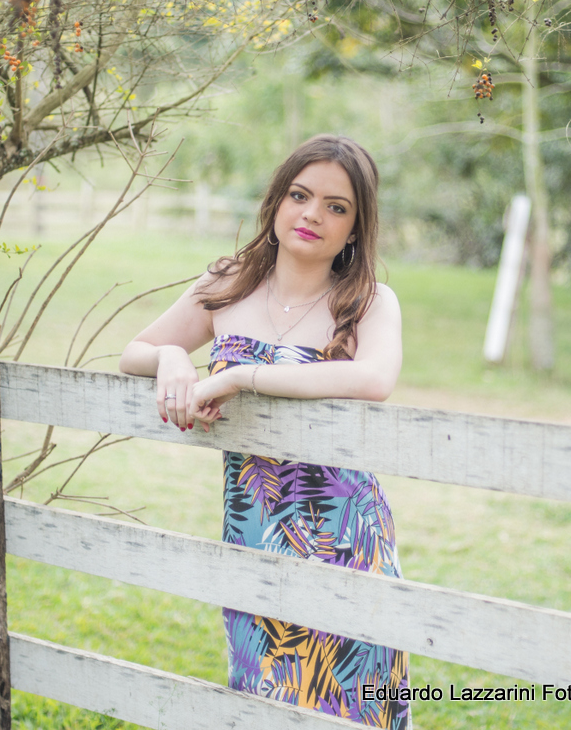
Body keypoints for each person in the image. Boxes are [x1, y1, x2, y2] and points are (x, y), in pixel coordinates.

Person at [119, 134, 408, 728]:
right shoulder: (228, 285)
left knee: (353, 706)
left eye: (337, 206)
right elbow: (134, 352)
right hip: (253, 528)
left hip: (346, 540)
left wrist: (242, 376)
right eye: (300, 195)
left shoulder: (369, 302)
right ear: (276, 202)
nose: (312, 215)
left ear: (355, 228)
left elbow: (376, 378)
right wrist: (174, 359)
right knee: (263, 703)